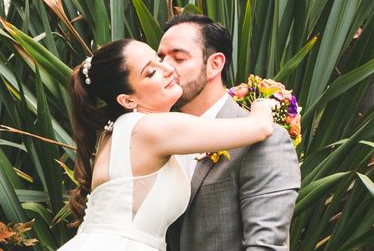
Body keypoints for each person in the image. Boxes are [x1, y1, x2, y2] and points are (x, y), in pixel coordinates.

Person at [59, 38, 275, 251]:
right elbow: (260, 127)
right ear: (127, 100)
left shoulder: (115, 132)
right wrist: (264, 101)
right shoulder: (151, 128)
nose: (168, 69)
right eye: (151, 72)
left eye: (158, 59)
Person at [158, 14, 301, 251]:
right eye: (160, 58)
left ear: (215, 64)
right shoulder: (159, 136)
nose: (165, 68)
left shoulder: (265, 140)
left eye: (179, 58)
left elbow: (265, 245)